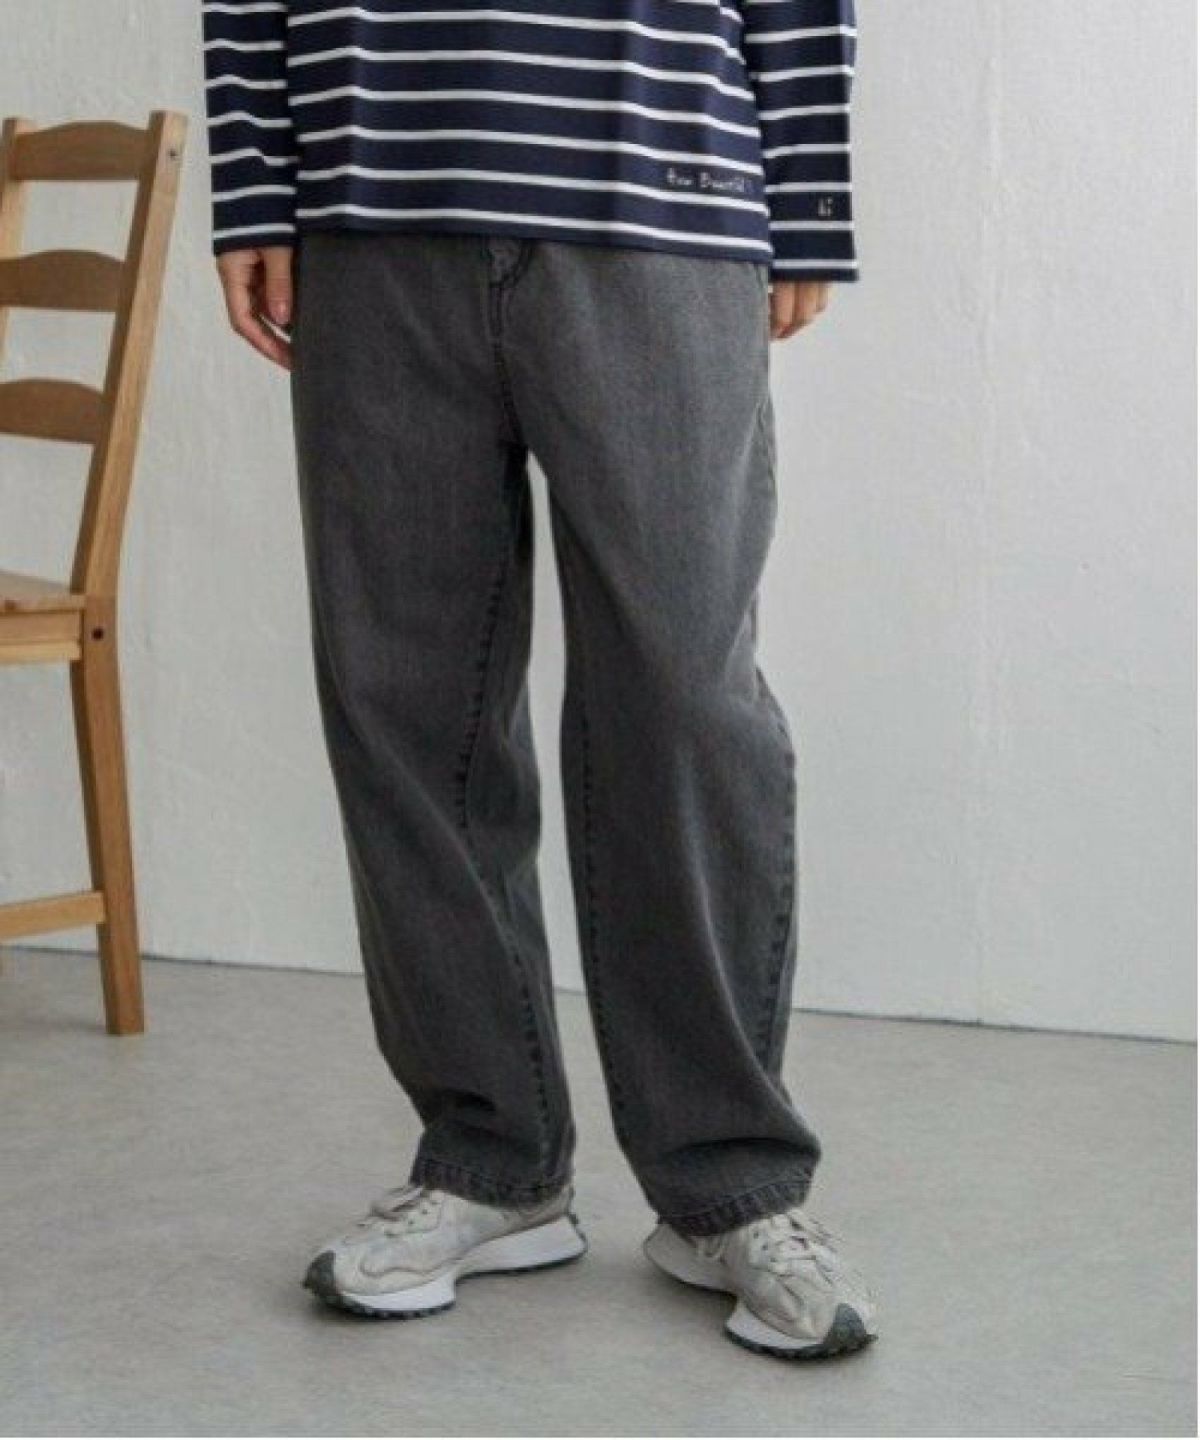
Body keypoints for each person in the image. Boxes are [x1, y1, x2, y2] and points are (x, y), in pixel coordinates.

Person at [201, 0, 877, 1360]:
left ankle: (731, 1183)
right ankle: (491, 1160)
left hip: (658, 191)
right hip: (370, 197)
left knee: (683, 700)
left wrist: (807, 195)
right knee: (405, 703)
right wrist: (255, 183)